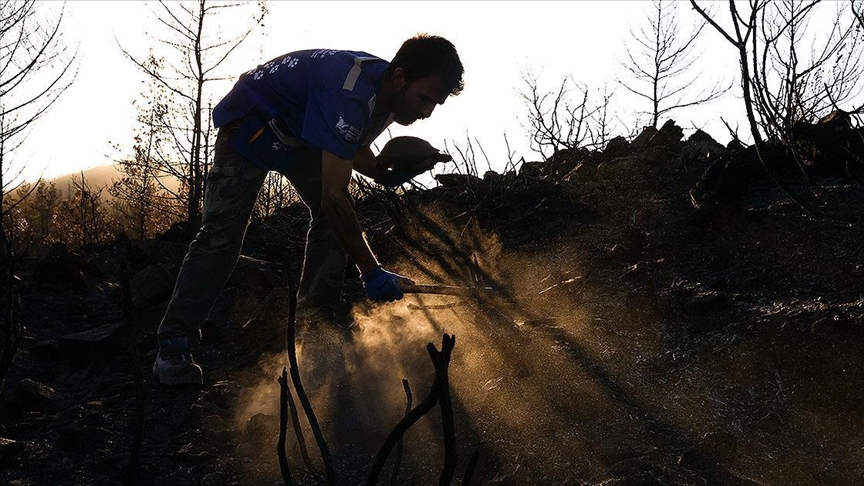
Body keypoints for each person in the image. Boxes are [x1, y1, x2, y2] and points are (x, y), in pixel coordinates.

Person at [152, 34, 464, 386]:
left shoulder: (389, 98)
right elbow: (335, 195)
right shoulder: (351, 94)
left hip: (299, 136)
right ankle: (173, 345)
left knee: (334, 222)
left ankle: (316, 328)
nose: (425, 112)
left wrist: (384, 171)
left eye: (433, 105)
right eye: (424, 99)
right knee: (223, 235)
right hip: (252, 122)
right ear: (399, 78)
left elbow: (348, 146)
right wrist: (371, 271)